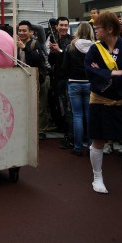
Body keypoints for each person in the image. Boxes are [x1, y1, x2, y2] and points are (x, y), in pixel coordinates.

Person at [85, 12, 122, 194]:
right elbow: (89, 69)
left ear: (109, 29)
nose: (95, 30)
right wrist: (110, 73)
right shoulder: (95, 49)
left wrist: (101, 70)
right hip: (100, 100)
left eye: (98, 28)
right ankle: (97, 176)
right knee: (98, 139)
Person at [62, 22, 94, 156]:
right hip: (89, 83)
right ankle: (92, 147)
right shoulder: (95, 47)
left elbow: (64, 67)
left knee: (77, 116)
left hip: (74, 83)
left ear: (78, 31)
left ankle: (78, 147)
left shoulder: (71, 47)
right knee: (89, 116)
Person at [17, 20, 49, 139]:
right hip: (23, 78)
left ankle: (41, 131)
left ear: (31, 32)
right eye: (19, 30)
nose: (21, 33)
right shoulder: (15, 45)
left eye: (24, 30)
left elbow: (38, 60)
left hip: (39, 78)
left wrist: (25, 48)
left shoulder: (36, 44)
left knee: (40, 105)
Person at [48, 16, 73, 147]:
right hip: (57, 78)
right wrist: (52, 52)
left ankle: (70, 137)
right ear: (56, 27)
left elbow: (72, 59)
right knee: (62, 107)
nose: (63, 27)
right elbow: (51, 61)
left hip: (68, 79)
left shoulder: (72, 40)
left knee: (69, 109)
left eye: (65, 25)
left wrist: (60, 51)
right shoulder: (54, 39)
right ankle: (65, 132)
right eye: (61, 25)